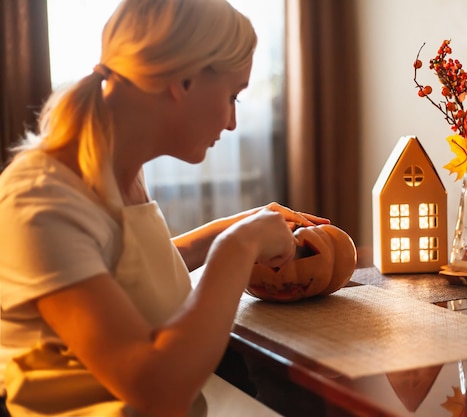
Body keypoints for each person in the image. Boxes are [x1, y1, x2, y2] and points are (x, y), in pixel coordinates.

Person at [0, 0, 328, 416]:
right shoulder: (40, 198)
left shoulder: (120, 174)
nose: (231, 123)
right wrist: (238, 247)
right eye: (233, 96)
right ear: (184, 80)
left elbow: (126, 275)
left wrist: (231, 229)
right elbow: (156, 389)